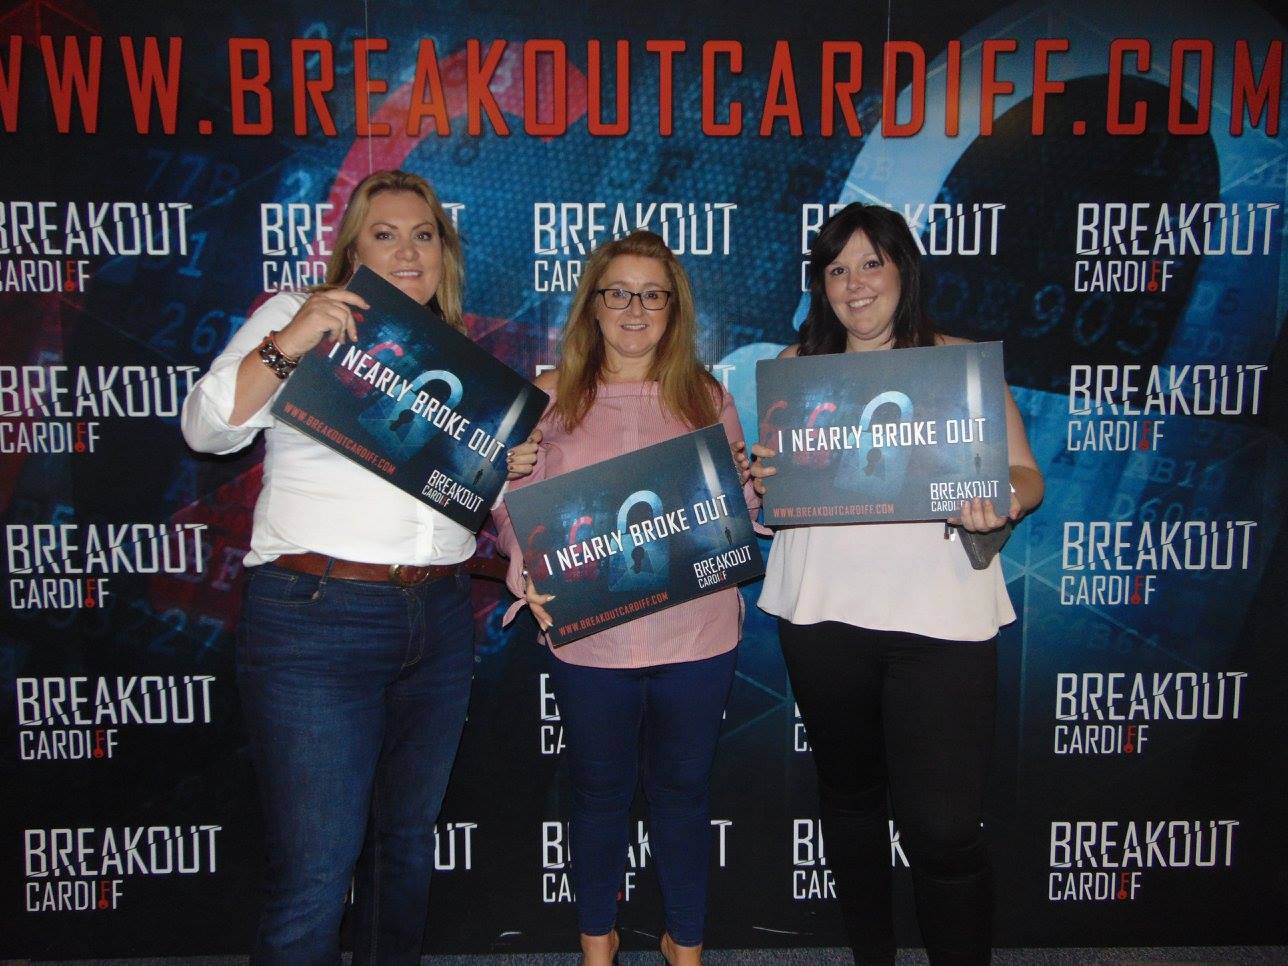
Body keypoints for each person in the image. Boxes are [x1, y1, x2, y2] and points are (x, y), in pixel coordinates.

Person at [181, 169, 539, 966]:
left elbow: (465, 498)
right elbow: (206, 429)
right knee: (316, 873)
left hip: (437, 620)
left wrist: (508, 477)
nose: (408, 251)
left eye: (424, 236)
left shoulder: (458, 364)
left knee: (402, 851)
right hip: (316, 621)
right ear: (352, 251)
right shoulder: (296, 317)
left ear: (445, 254)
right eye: (386, 234)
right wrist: (292, 340)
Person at [749, 203, 1044, 965]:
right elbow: (772, 497)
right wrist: (762, 484)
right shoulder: (795, 369)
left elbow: (1025, 475)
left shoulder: (957, 365)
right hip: (823, 615)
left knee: (944, 828)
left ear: (903, 271)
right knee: (850, 800)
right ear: (821, 285)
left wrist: (1001, 500)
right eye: (837, 269)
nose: (855, 284)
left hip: (940, 621)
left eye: (870, 264)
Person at [493, 230, 753, 966]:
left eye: (652, 295)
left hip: (695, 634)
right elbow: (510, 506)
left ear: (674, 309)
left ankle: (685, 945)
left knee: (683, 793)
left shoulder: (710, 397)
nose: (635, 309)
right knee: (599, 794)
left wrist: (756, 486)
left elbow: (736, 505)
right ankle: (596, 945)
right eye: (618, 293)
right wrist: (524, 566)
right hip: (592, 637)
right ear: (593, 305)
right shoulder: (546, 398)